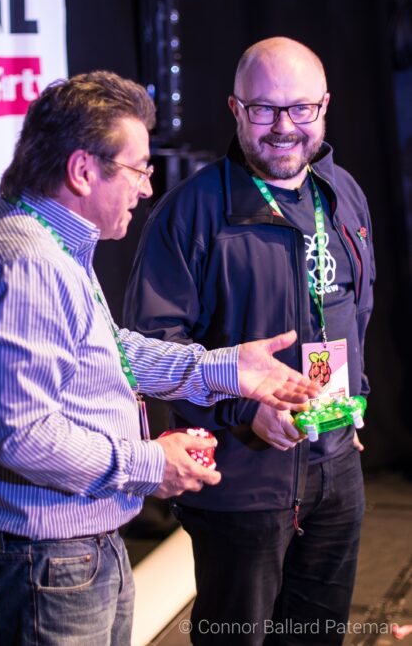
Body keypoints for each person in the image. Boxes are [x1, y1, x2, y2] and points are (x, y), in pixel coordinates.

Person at [0, 70, 320, 646]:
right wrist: (152, 464)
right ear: (82, 170)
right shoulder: (26, 264)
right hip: (44, 562)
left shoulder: (52, 241)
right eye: (138, 169)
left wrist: (228, 370)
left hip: (70, 554)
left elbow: (110, 352)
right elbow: (25, 436)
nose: (147, 188)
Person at [125, 38, 375, 645]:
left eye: (301, 109)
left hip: (336, 469)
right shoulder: (190, 213)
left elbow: (356, 307)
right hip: (241, 484)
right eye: (264, 110)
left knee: (316, 636)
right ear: (235, 110)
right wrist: (246, 412)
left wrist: (354, 398)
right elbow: (149, 349)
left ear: (325, 107)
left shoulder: (342, 194)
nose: (284, 128)